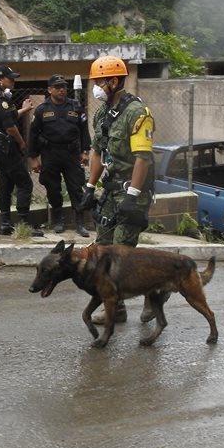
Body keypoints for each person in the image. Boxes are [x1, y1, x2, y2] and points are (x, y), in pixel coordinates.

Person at [78, 54, 155, 324]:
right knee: (102, 251)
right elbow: (97, 152)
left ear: (113, 81)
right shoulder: (102, 114)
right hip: (111, 190)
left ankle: (155, 291)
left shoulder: (137, 113)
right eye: (94, 83)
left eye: (99, 82)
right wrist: (90, 188)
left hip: (134, 189)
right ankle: (117, 309)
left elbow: (142, 158)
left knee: (123, 253)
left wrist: (132, 197)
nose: (96, 88)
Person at [28, 74, 91, 236]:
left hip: (71, 154)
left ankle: (80, 223)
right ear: (50, 89)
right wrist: (33, 158)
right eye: (57, 87)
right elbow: (33, 134)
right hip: (50, 154)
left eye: (63, 86)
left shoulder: (75, 106)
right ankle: (58, 220)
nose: (62, 90)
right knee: (53, 188)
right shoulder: (42, 109)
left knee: (76, 188)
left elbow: (84, 130)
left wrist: (85, 151)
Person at [0, 64, 42, 236]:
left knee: (6, 185)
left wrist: (24, 109)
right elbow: (10, 127)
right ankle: (24, 223)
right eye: (10, 78)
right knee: (25, 183)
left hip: (1, 148)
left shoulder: (0, 97)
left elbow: (10, 116)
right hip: (7, 148)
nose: (13, 81)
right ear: (0, 80)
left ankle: (5, 224)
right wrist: (22, 143)